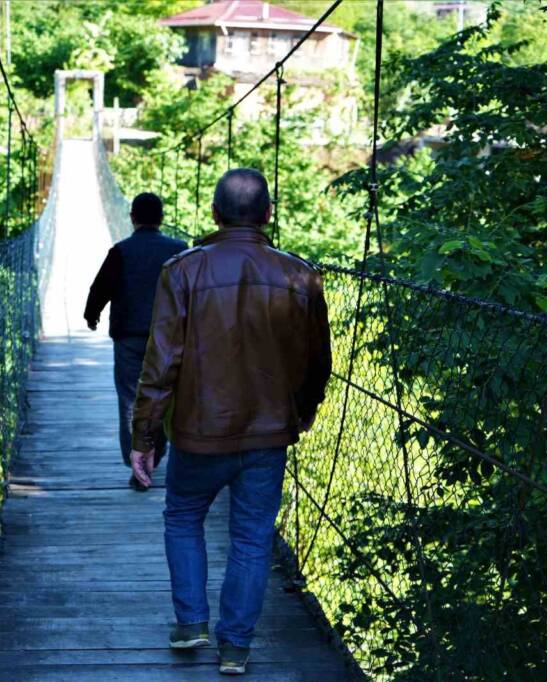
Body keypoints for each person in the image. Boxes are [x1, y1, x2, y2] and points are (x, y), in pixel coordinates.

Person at [128, 169, 332, 675]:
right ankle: (235, 648)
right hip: (267, 434)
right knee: (252, 537)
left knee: (182, 517)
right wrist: (299, 415)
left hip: (198, 434)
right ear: (268, 214)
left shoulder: (183, 270)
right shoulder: (301, 275)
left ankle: (192, 622)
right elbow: (317, 361)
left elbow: (161, 363)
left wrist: (144, 436)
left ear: (215, 215)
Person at [84, 192, 188, 491]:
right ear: (162, 218)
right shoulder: (180, 251)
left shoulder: (121, 250)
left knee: (131, 399)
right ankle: (157, 456)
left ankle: (137, 464)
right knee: (164, 396)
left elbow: (100, 287)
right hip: (169, 338)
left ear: (132, 217)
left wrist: (92, 315)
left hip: (129, 336)